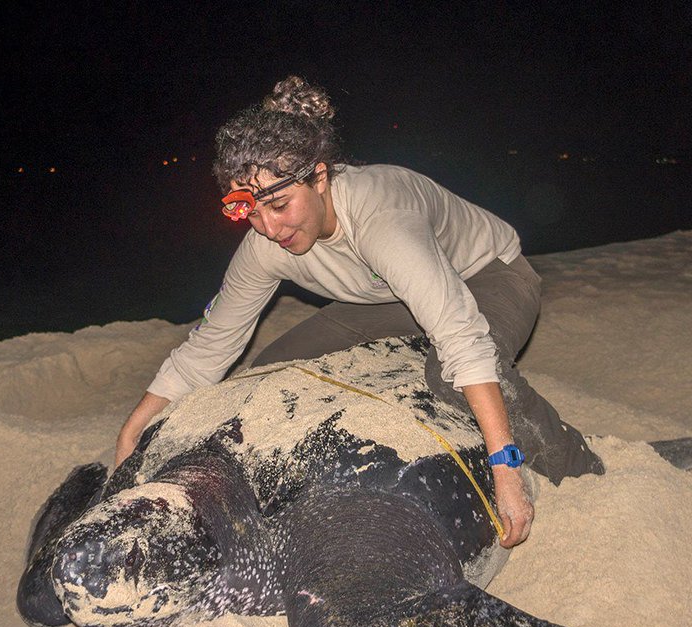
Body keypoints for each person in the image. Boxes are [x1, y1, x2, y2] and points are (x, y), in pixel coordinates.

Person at [116, 76, 603, 548]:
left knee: (452, 375)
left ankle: (581, 463)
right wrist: (132, 431)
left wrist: (505, 464)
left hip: (488, 276)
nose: (268, 226)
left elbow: (461, 335)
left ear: (320, 177)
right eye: (251, 212)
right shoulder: (264, 244)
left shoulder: (381, 220)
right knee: (266, 375)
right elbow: (210, 346)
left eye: (280, 205)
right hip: (383, 298)